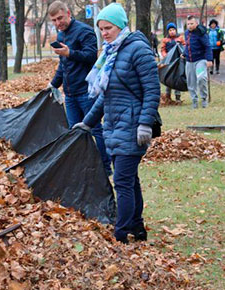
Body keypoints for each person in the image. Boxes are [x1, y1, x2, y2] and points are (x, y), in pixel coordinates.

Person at [73, 3, 160, 244]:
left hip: (132, 127)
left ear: (120, 25)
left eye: (108, 27)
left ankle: (120, 235)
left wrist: (144, 124)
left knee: (122, 181)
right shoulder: (111, 52)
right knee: (130, 180)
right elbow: (105, 95)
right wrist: (87, 123)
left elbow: (152, 91)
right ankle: (138, 229)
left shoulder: (138, 50)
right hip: (115, 126)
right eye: (101, 29)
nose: (104, 33)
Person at [46, 0, 112, 175]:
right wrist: (53, 85)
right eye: (54, 20)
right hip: (70, 94)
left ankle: (105, 168)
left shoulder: (84, 31)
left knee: (96, 129)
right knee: (74, 132)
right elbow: (63, 65)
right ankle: (83, 168)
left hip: (87, 91)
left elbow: (92, 57)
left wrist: (70, 53)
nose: (58, 23)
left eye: (60, 18)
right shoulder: (60, 36)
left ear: (68, 13)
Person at [183, 15, 213, 109]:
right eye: (188, 24)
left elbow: (207, 46)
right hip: (189, 61)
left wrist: (209, 60)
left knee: (201, 78)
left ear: (196, 23)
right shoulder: (186, 33)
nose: (190, 26)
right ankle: (194, 101)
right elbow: (188, 45)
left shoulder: (201, 33)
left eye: (192, 23)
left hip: (200, 60)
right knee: (191, 82)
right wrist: (184, 53)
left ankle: (204, 99)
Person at [160, 22, 186, 101]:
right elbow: (163, 49)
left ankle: (178, 97)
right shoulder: (165, 40)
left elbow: (184, 47)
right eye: (170, 30)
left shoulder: (180, 38)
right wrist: (165, 56)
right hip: (169, 63)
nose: (172, 31)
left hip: (178, 62)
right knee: (169, 78)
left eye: (173, 30)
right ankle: (168, 96)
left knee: (177, 78)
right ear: (168, 31)